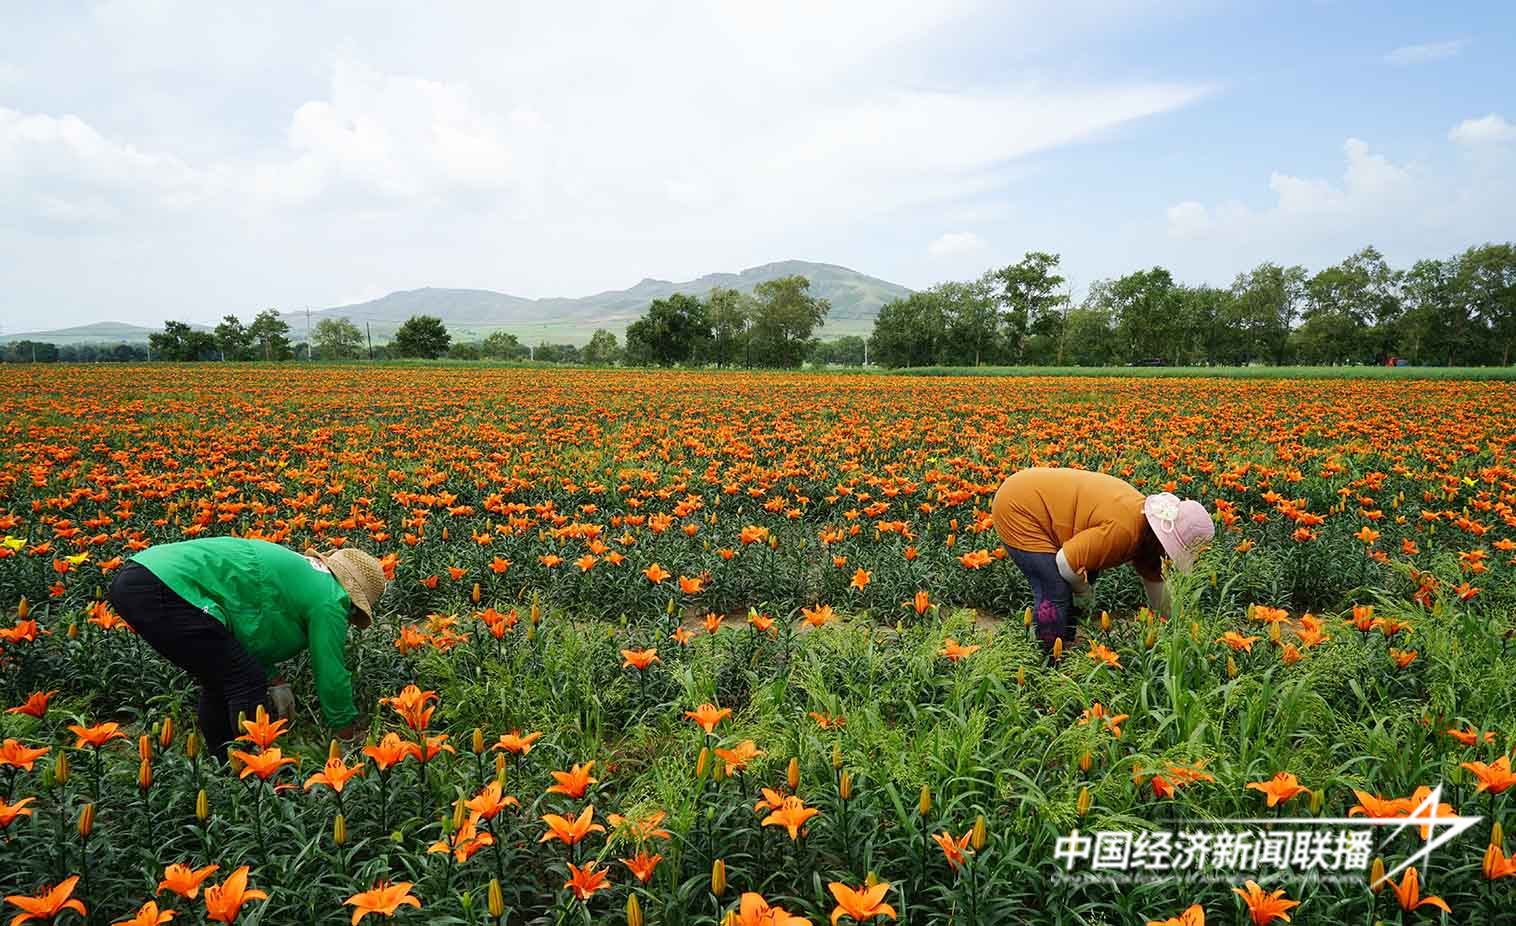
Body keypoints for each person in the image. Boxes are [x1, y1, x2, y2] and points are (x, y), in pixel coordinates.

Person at [108, 537, 387, 758]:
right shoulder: (331, 598)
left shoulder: (304, 573)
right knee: (244, 680)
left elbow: (243, 626)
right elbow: (331, 675)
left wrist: (273, 677)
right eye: (354, 615)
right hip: (164, 585)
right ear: (354, 599)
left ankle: (225, 765)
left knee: (222, 678)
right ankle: (251, 772)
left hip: (142, 575)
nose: (349, 620)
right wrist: (346, 736)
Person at [991, 467, 1214, 655]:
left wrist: (1176, 628)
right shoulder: (1125, 531)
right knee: (1055, 590)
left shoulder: (1147, 536)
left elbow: (1156, 586)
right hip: (1020, 506)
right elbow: (1065, 563)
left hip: (1038, 500)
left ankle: (1066, 640)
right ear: (1164, 539)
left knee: (1086, 567)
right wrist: (1083, 591)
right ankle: (1047, 659)